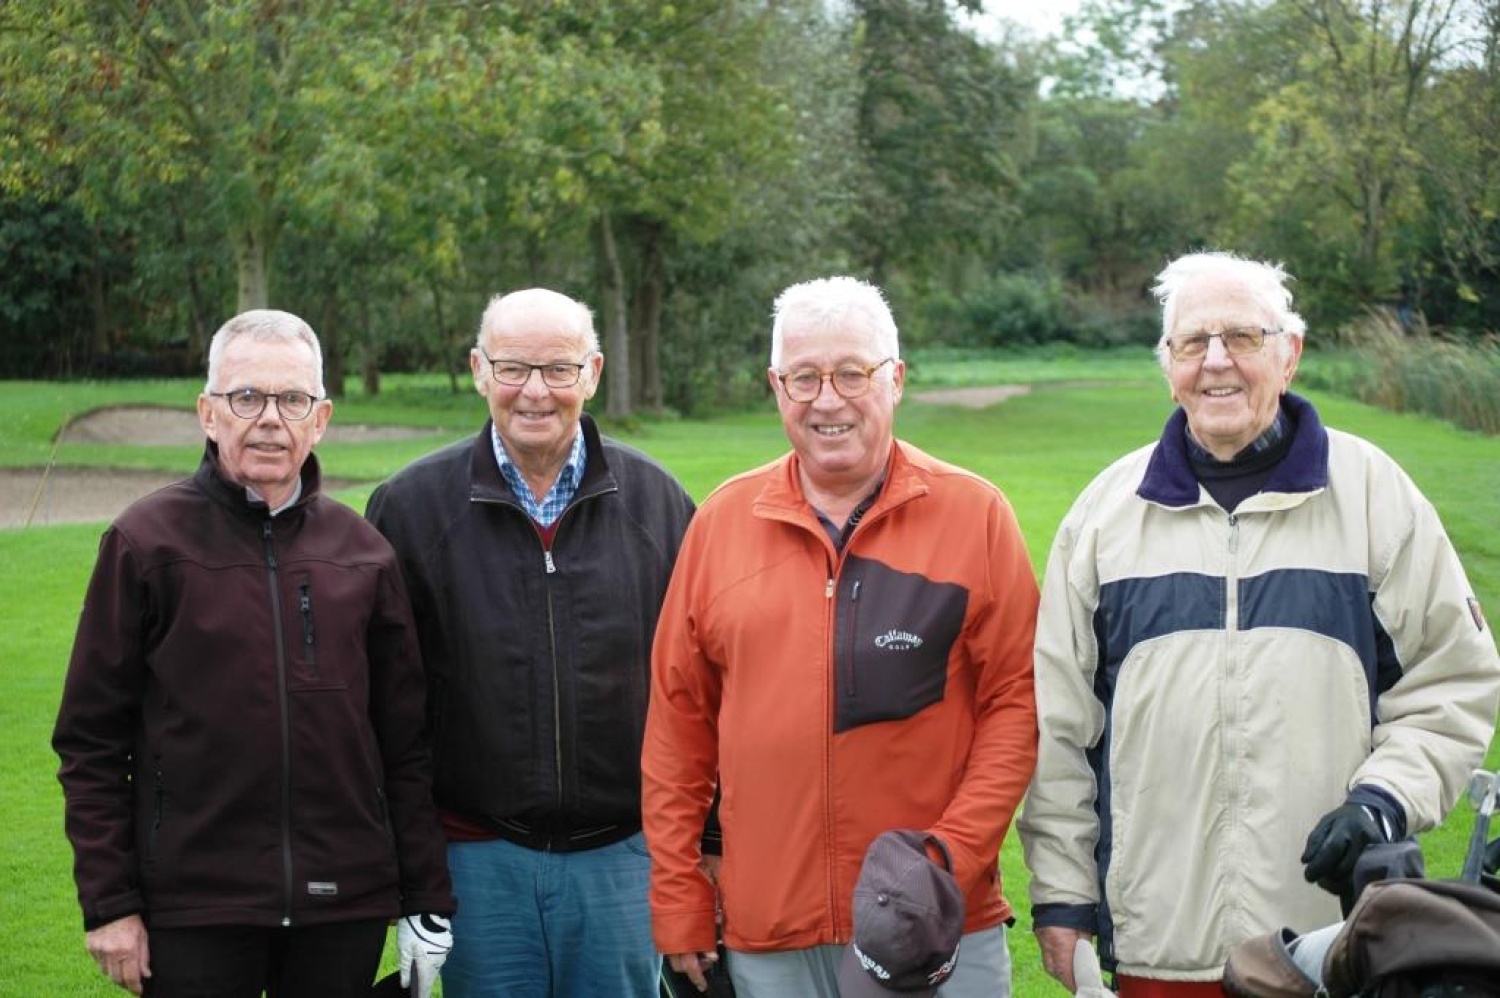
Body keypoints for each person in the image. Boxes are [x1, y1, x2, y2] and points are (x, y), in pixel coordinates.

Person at [1017, 250, 1500, 996]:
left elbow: (1452, 682)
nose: (1217, 362)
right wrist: (1062, 897)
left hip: (1328, 947)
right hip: (1157, 945)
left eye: (1243, 336)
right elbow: (1058, 731)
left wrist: (1383, 801)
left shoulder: (1375, 498)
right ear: (1168, 364)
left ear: (1289, 354)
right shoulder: (1103, 519)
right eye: (1192, 342)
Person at [641, 275, 1040, 998]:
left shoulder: (975, 515)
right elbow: (678, 727)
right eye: (805, 377)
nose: (828, 400)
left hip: (937, 924)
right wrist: (678, 893)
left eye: (853, 373)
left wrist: (945, 860)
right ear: (776, 386)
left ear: (896, 380)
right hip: (770, 930)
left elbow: (1018, 705)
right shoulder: (721, 525)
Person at [52, 310, 456, 998]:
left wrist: (425, 894)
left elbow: (405, 746)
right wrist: (110, 901)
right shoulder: (145, 544)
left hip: (343, 906)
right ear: (208, 413)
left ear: (320, 419)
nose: (270, 419)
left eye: (292, 399)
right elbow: (90, 742)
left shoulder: (364, 554)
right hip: (194, 909)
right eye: (247, 397)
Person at [365, 288, 696, 998]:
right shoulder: (409, 509)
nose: (535, 392)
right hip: (477, 859)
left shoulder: (661, 505)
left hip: (622, 859)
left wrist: (704, 848)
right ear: (479, 370)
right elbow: (390, 710)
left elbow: (700, 696)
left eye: (559, 369)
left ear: (593, 373)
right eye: (513, 368)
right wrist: (411, 865)